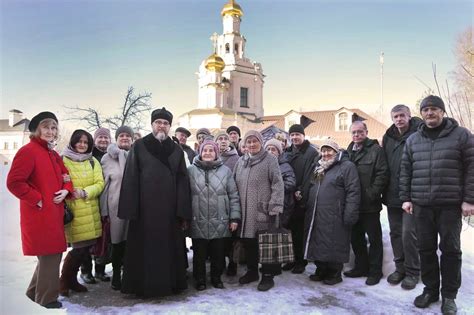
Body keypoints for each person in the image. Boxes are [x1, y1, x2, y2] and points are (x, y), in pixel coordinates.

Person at [399, 95, 474, 314]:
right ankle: (430, 290)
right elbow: (406, 170)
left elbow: (472, 168)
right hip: (422, 205)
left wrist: (469, 199)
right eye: (426, 110)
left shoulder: (461, 136)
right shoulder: (413, 139)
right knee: (425, 249)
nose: (430, 113)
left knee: (451, 251)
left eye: (434, 109)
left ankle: (449, 296)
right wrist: (406, 197)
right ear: (421, 114)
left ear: (442, 111)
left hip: (449, 205)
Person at [118, 107, 191, 298]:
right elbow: (131, 177)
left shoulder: (176, 149)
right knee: (144, 250)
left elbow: (183, 179)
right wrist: (130, 209)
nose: (162, 126)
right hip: (144, 211)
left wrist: (182, 210)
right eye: (158, 122)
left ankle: (170, 285)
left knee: (168, 249)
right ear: (152, 125)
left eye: (166, 123)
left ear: (170, 127)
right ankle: (142, 286)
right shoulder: (140, 146)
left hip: (169, 210)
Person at [7, 112, 73, 309]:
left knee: (50, 255)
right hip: (39, 216)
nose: (50, 132)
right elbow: (14, 182)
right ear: (37, 130)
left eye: (53, 128)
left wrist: (66, 190)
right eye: (46, 127)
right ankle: (47, 300)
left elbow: (66, 176)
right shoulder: (28, 151)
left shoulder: (52, 154)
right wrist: (37, 199)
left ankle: (31, 294)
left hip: (54, 214)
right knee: (50, 255)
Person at [304, 139, 360, 285]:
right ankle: (321, 269)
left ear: (336, 151)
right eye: (323, 150)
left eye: (329, 150)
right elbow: (313, 185)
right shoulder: (319, 167)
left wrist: (350, 212)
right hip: (317, 211)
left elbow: (353, 191)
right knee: (319, 241)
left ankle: (334, 272)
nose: (326, 153)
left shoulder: (346, 167)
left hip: (336, 212)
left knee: (335, 241)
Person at [234, 130, 284, 291]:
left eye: (254, 141)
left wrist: (275, 205)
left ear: (260, 142)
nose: (251, 144)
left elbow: (278, 183)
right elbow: (234, 185)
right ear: (244, 144)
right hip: (245, 211)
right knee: (249, 243)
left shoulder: (270, 160)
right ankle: (252, 271)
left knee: (267, 244)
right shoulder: (241, 161)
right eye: (248, 142)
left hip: (264, 210)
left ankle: (268, 276)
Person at [188, 140, 241, 290]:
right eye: (205, 150)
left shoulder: (226, 171)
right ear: (200, 152)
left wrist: (234, 218)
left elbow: (234, 196)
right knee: (199, 254)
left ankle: (216, 278)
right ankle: (200, 279)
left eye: (211, 150)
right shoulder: (190, 170)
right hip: (197, 218)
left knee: (218, 253)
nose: (208, 153)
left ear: (216, 153)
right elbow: (185, 195)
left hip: (220, 219)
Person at [59, 129, 104, 297]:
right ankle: (63, 281)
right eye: (79, 141)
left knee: (86, 249)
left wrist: (86, 192)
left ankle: (72, 280)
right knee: (77, 249)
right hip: (74, 211)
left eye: (86, 142)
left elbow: (100, 183)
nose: (82, 145)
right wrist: (69, 190)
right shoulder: (63, 160)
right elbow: (58, 182)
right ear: (73, 142)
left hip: (91, 210)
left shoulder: (93, 161)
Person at [382, 105, 422, 290]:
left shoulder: (420, 133)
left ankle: (413, 272)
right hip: (392, 194)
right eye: (395, 116)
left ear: (409, 116)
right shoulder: (388, 137)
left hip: (412, 195)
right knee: (396, 233)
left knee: (409, 234)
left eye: (402, 115)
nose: (399, 119)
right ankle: (400, 268)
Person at [344, 121, 388, 285]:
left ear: (366, 132)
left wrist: (372, 194)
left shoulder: (376, 150)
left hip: (369, 204)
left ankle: (375, 271)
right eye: (354, 132)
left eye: (360, 132)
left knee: (374, 239)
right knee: (356, 238)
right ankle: (360, 267)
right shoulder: (348, 151)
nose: (356, 135)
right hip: (353, 204)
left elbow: (382, 174)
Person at [100, 126, 134, 290]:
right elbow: (104, 186)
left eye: (128, 135)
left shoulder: (137, 156)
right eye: (122, 135)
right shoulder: (107, 158)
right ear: (116, 138)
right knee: (117, 242)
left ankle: (129, 274)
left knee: (131, 242)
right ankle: (116, 275)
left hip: (134, 206)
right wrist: (104, 210)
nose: (125, 138)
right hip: (115, 206)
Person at [282, 124, 318, 274]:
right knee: (289, 230)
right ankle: (290, 258)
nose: (295, 137)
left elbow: (312, 175)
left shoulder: (311, 153)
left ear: (303, 135)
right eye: (292, 135)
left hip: (301, 197)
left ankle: (300, 261)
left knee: (299, 231)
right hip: (288, 197)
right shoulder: (287, 152)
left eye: (298, 134)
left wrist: (301, 191)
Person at [80, 127, 112, 284]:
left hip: (105, 201)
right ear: (95, 139)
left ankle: (100, 270)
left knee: (103, 238)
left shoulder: (111, 156)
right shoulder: (88, 155)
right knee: (87, 239)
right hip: (88, 200)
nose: (103, 140)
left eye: (106, 138)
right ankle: (86, 271)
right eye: (100, 138)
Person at [264, 139, 296, 229]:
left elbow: (291, 183)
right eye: (268, 149)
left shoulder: (285, 166)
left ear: (279, 152)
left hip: (282, 205)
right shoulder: (262, 165)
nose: (270, 152)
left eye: (273, 149)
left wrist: (275, 187)